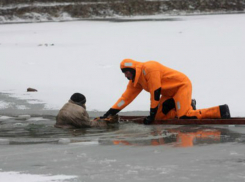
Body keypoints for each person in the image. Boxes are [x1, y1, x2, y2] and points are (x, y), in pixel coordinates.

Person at [100, 59, 231, 124]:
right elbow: (125, 98)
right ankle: (182, 106)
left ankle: (220, 110)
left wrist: (150, 115)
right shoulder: (137, 81)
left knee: (185, 117)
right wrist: (108, 114)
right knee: (159, 118)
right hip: (168, 94)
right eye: (124, 73)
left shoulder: (150, 68)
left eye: (127, 73)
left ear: (133, 69)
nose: (126, 76)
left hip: (181, 87)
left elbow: (155, 93)